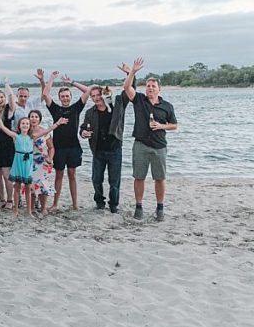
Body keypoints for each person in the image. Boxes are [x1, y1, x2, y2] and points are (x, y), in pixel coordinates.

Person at [121, 58, 178, 222]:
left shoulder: (167, 106)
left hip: (159, 146)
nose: (150, 88)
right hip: (140, 144)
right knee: (139, 177)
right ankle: (139, 207)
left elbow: (174, 125)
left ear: (159, 89)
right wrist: (132, 71)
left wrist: (161, 126)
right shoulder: (139, 100)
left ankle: (160, 207)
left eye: (153, 86)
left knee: (159, 178)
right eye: (148, 86)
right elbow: (126, 87)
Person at [41, 71, 90, 211]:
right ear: (59, 98)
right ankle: (55, 204)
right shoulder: (55, 109)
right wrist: (51, 79)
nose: (65, 98)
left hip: (74, 147)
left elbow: (88, 91)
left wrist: (72, 82)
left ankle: (74, 204)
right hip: (59, 148)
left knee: (72, 174)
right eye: (62, 96)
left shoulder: (76, 108)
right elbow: (45, 94)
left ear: (70, 96)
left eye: (67, 96)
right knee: (59, 175)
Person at [79, 84, 128, 214]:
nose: (96, 98)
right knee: (96, 179)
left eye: (98, 95)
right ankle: (99, 203)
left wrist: (131, 74)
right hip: (98, 150)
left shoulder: (116, 106)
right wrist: (83, 133)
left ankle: (113, 205)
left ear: (104, 94)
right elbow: (83, 128)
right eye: (93, 96)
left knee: (114, 181)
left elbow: (128, 91)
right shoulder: (90, 112)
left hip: (115, 149)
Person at [27, 109, 68, 216]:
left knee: (43, 185)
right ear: (29, 118)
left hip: (43, 162)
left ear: (39, 119)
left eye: (36, 117)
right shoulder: (26, 131)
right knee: (31, 185)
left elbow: (51, 147)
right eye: (32, 116)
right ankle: (31, 208)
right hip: (30, 162)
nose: (34, 119)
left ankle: (43, 208)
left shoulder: (45, 132)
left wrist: (50, 158)